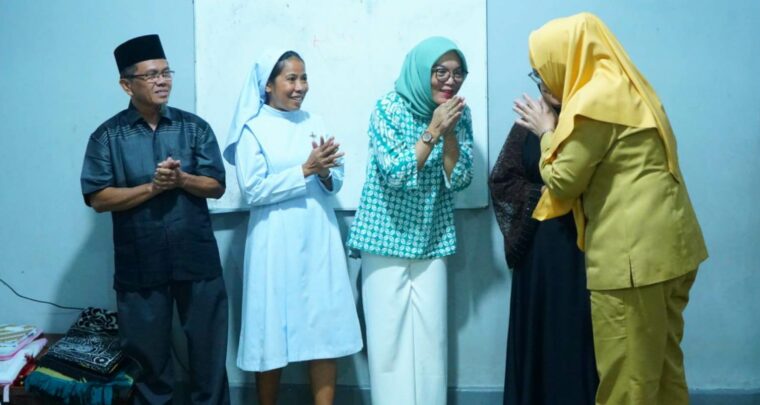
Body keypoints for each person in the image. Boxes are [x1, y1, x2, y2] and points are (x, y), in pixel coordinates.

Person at [514, 13, 708, 405]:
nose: (542, 83)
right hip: (673, 250)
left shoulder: (591, 102)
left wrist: (546, 131)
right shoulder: (629, 86)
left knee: (627, 383)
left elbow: (564, 180)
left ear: (564, 58)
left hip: (631, 261)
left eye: (541, 72)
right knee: (663, 371)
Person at [80, 34, 230, 405]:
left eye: (166, 72)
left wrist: (181, 180)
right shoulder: (107, 136)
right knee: (147, 362)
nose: (162, 81)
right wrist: (153, 187)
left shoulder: (194, 128)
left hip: (196, 257)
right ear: (126, 85)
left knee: (209, 353)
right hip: (140, 262)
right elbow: (98, 198)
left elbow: (216, 186)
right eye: (151, 75)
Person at [223, 49, 363, 405]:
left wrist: (326, 173)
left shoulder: (316, 121)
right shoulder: (253, 129)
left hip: (318, 234)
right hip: (273, 240)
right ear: (268, 86)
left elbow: (336, 180)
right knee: (270, 330)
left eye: (304, 78)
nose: (300, 86)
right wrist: (305, 169)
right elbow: (253, 190)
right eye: (291, 79)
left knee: (324, 328)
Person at [346, 36, 474, 405]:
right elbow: (396, 174)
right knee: (388, 344)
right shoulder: (388, 108)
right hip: (384, 237)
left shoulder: (459, 113)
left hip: (432, 237)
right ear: (421, 71)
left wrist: (451, 133)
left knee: (432, 340)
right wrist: (433, 130)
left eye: (457, 73)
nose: (450, 81)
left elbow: (460, 178)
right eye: (440, 72)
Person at [489, 121, 598, 405]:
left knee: (578, 330)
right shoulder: (526, 124)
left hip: (583, 246)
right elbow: (502, 180)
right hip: (536, 250)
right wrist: (540, 194)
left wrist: (568, 190)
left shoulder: (587, 119)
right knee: (538, 330)